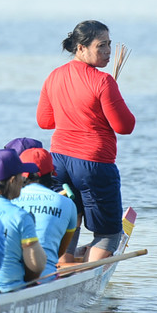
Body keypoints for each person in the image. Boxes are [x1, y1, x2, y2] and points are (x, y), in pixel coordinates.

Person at [36, 20, 135, 261]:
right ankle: (88, 276)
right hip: (94, 165)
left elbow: (45, 121)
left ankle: (65, 269)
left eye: (109, 44)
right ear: (81, 48)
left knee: (71, 222)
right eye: (101, 45)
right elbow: (125, 127)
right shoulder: (103, 81)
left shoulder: (54, 76)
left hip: (58, 163)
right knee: (108, 233)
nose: (108, 51)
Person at [0, 148, 45, 292]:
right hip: (10, 290)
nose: (23, 181)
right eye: (21, 177)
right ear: (13, 180)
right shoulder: (21, 216)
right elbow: (36, 266)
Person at [16, 147, 80, 269]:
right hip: (46, 272)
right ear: (51, 173)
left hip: (10, 272)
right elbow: (60, 252)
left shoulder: (9, 200)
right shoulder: (68, 203)